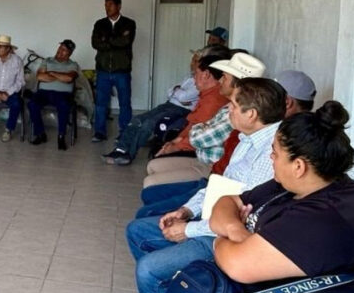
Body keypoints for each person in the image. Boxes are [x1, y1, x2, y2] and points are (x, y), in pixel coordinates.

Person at [154, 101, 354, 293]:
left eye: (275, 153)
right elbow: (226, 201)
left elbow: (236, 265)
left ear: (299, 166)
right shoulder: (301, 185)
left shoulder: (325, 218)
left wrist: (221, 237)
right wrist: (236, 230)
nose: (270, 158)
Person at [127, 78, 286, 293]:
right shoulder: (248, 139)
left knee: (147, 270)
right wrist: (186, 211)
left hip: (225, 238)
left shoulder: (270, 153)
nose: (228, 108)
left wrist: (188, 229)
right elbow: (220, 186)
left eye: (233, 104)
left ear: (251, 114)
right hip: (213, 219)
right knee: (137, 230)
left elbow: (239, 219)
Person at [134, 70, 315, 219]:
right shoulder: (250, 131)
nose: (220, 80)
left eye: (225, 77)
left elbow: (244, 202)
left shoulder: (276, 140)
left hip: (223, 198)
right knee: (151, 195)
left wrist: (190, 226)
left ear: (286, 102)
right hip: (218, 186)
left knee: (148, 212)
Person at [143, 52, 265, 188]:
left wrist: (178, 143)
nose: (220, 81)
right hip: (203, 156)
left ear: (237, 84)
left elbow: (197, 137)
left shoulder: (234, 110)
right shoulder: (228, 105)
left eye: (224, 77)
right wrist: (183, 137)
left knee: (152, 179)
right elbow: (199, 129)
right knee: (154, 163)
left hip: (209, 163)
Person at [102, 45, 228, 165]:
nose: (193, 62)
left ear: (206, 73)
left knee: (148, 123)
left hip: (180, 109)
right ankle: (121, 149)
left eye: (196, 59)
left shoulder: (210, 93)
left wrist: (176, 145)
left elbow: (183, 98)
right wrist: (177, 92)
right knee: (137, 119)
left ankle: (128, 154)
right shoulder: (193, 78)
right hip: (170, 104)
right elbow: (171, 92)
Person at [91, 0, 136, 143]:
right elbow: (95, 43)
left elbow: (126, 41)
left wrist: (106, 40)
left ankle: (124, 133)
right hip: (103, 70)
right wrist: (116, 40)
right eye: (105, 5)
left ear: (119, 6)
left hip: (122, 70)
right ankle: (99, 132)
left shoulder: (129, 23)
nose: (107, 8)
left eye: (110, 5)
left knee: (125, 103)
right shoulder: (100, 24)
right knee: (100, 103)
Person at [27, 39, 80, 150]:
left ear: (70, 53)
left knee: (64, 105)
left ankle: (61, 136)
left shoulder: (73, 64)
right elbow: (40, 76)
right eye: (60, 47)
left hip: (63, 94)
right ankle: (40, 134)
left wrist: (51, 73)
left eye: (64, 50)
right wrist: (61, 76)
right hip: (43, 93)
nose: (60, 51)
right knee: (32, 104)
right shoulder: (47, 61)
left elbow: (69, 78)